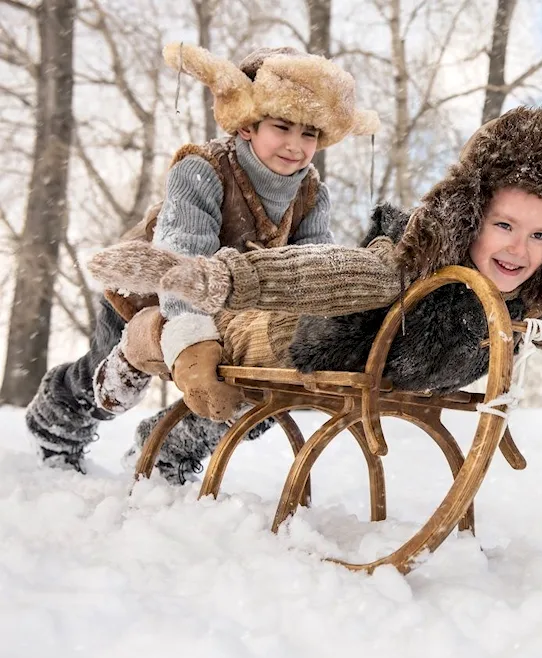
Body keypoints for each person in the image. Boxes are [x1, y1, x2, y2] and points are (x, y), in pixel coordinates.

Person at [89, 105, 542, 484]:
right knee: (229, 382)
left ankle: (163, 442)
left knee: (247, 415)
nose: (519, 250)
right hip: (283, 323)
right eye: (504, 227)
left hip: (348, 358)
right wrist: (217, 279)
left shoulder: (525, 295)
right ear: (471, 220)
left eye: (539, 235)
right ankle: (138, 368)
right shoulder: (416, 263)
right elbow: (333, 274)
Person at [24, 42, 379, 475]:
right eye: (282, 126)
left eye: (309, 134)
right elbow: (181, 257)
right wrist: (191, 339)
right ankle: (54, 427)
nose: (295, 145)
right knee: (108, 387)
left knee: (249, 389)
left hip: (232, 303)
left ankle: (167, 449)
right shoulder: (202, 169)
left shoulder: (311, 195)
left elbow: (307, 270)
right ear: (248, 124)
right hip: (151, 291)